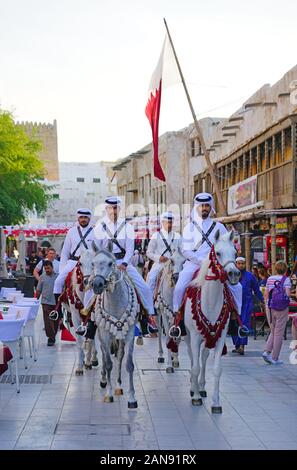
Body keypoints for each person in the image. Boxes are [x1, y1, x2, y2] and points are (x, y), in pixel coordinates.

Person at [173, 192, 242, 315]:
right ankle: (177, 319)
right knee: (179, 287)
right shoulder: (189, 227)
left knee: (237, 287)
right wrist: (201, 261)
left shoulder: (220, 227)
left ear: (211, 207)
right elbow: (185, 250)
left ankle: (237, 320)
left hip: (217, 264)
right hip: (194, 264)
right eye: (201, 205)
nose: (204, 208)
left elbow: (227, 245)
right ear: (197, 207)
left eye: (207, 205)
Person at [94, 196, 154, 316]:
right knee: (91, 291)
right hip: (105, 266)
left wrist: (125, 263)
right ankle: (89, 322)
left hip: (123, 263)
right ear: (106, 209)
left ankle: (148, 319)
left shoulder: (128, 227)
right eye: (110, 208)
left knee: (145, 289)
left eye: (115, 208)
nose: (113, 211)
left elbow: (130, 249)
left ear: (119, 209)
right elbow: (97, 250)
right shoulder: (100, 227)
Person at [53, 208, 95, 307]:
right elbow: (65, 252)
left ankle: (91, 311)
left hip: (88, 264)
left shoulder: (95, 231)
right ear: (78, 219)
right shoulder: (71, 231)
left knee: (92, 286)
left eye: (85, 217)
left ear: (89, 219)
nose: (83, 219)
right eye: (81, 217)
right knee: (58, 282)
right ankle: (57, 310)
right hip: (73, 262)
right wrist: (62, 269)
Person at [232, 257, 264, 355]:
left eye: (242, 263)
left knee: (244, 324)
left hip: (246, 304)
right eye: (239, 263)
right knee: (234, 325)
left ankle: (242, 346)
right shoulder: (231, 275)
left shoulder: (250, 276)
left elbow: (256, 290)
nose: (241, 265)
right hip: (234, 305)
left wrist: (262, 300)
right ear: (235, 264)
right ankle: (237, 345)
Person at [262, 260, 291, 364]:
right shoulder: (286, 280)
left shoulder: (270, 279)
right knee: (279, 332)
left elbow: (266, 294)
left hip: (270, 307)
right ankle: (275, 358)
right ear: (285, 270)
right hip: (282, 308)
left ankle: (267, 351)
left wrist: (267, 304)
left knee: (273, 330)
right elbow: (287, 295)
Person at [146, 211, 181, 295]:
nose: (169, 225)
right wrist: (159, 258)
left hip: (174, 264)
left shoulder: (178, 236)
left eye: (170, 222)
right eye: (167, 222)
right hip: (160, 264)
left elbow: (182, 251)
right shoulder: (155, 236)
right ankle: (149, 301)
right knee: (151, 278)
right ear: (162, 222)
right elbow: (149, 252)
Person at [36, 260, 59, 346]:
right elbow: (38, 290)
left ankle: (53, 336)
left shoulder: (58, 277)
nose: (47, 270)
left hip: (56, 302)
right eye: (45, 269)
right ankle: (50, 337)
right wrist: (35, 300)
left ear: (52, 267)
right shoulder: (42, 277)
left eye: (48, 268)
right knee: (48, 320)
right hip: (45, 302)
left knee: (56, 320)